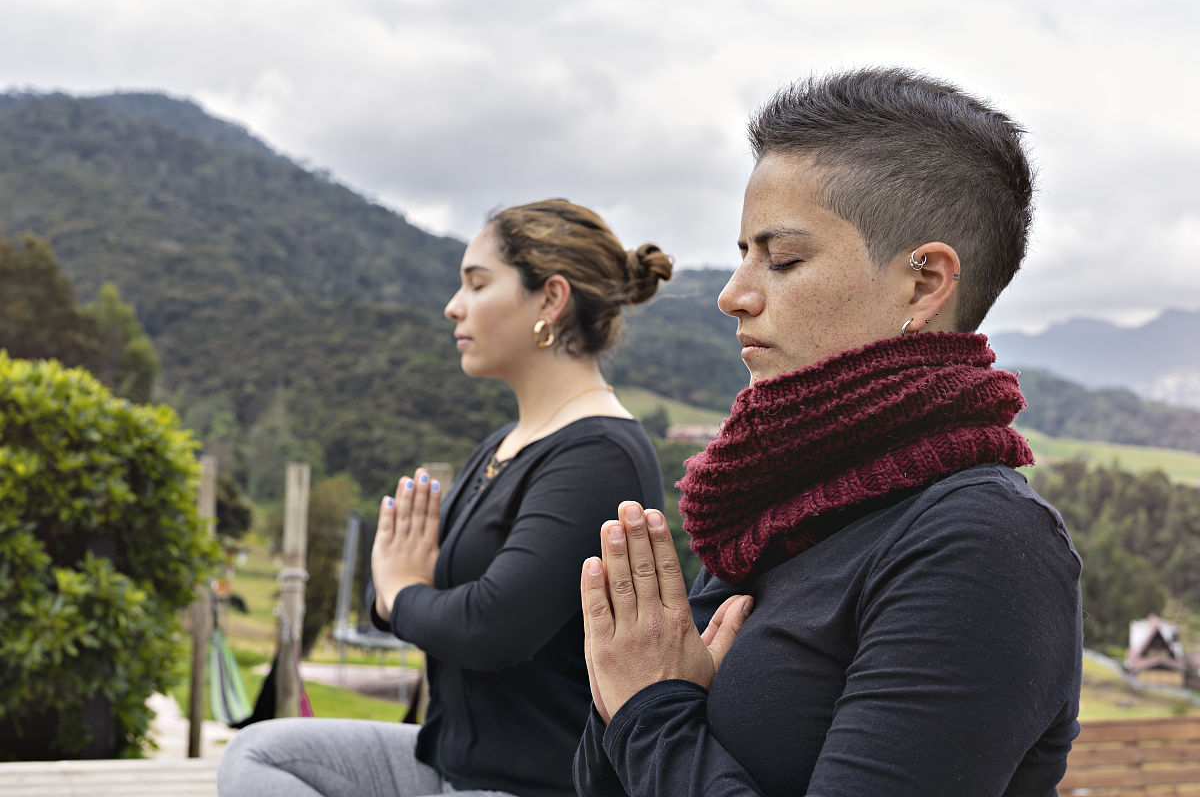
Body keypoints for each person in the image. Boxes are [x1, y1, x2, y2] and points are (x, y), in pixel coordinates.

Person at [574, 69, 1083, 796]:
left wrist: (651, 710)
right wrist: (634, 696)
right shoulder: (771, 503)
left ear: (924, 283)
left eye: (782, 260)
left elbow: (650, 730)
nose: (733, 294)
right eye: (744, 253)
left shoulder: (984, 544)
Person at [217, 199, 672, 797]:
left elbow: (490, 627)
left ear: (550, 300)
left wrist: (401, 592)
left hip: (534, 784)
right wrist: (399, 592)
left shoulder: (598, 456)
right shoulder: (501, 447)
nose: (453, 306)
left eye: (477, 284)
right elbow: (409, 588)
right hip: (446, 765)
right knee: (258, 754)